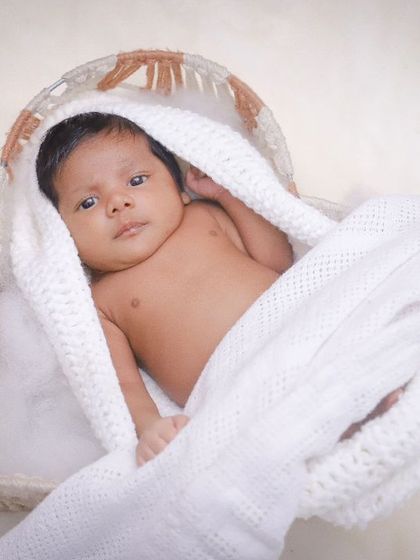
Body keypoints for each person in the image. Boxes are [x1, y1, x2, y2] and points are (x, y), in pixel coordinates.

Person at [36, 112, 401, 465]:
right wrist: (149, 426)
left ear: (177, 188)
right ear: (63, 236)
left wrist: (227, 197)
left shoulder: (203, 217)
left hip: (295, 323)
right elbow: (120, 383)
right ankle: (348, 421)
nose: (118, 203)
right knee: (276, 423)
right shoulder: (101, 301)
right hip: (234, 385)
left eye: (135, 181)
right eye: (88, 202)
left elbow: (275, 262)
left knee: (353, 329)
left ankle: (371, 387)